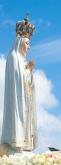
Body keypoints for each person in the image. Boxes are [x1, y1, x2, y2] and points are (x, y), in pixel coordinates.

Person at [1, 21, 37, 152]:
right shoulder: (13, 57)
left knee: (25, 119)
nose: (28, 47)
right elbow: (16, 78)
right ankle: (15, 142)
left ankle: (24, 144)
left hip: (24, 99)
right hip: (17, 98)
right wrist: (28, 70)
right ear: (20, 42)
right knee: (17, 117)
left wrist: (29, 71)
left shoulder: (22, 60)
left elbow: (26, 79)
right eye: (27, 43)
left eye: (29, 44)